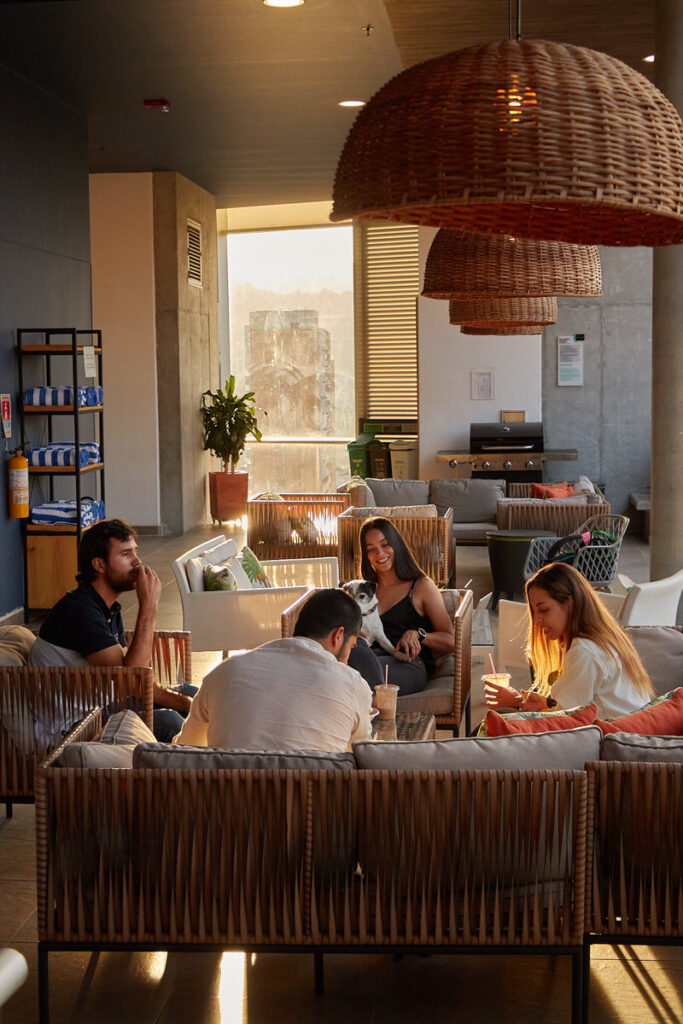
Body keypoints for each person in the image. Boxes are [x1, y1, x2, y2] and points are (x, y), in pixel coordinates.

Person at [29, 518, 195, 740]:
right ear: (99, 565)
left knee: (195, 694)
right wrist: (148, 607)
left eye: (135, 552)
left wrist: (186, 701)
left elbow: (135, 678)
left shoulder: (105, 608)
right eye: (126, 555)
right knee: (170, 721)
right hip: (73, 726)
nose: (138, 562)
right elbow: (131, 679)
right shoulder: (80, 611)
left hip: (101, 703)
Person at [175, 588, 373, 752]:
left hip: (232, 796)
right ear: (338, 636)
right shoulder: (352, 685)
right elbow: (362, 755)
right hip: (312, 798)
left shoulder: (223, 673)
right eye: (351, 646)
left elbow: (187, 749)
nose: (346, 660)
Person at [484, 561, 653, 719]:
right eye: (534, 612)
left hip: (615, 739)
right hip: (623, 731)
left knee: (500, 718)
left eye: (543, 610)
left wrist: (516, 703)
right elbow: (577, 704)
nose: (536, 620)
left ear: (570, 605)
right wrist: (534, 702)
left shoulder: (585, 651)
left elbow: (564, 721)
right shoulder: (601, 638)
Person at [346, 517, 455, 696]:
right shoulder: (363, 591)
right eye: (371, 550)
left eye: (385, 544)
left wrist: (419, 635)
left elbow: (451, 641)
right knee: (351, 656)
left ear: (396, 544)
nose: (379, 553)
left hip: (409, 665)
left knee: (353, 670)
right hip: (369, 658)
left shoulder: (421, 587)